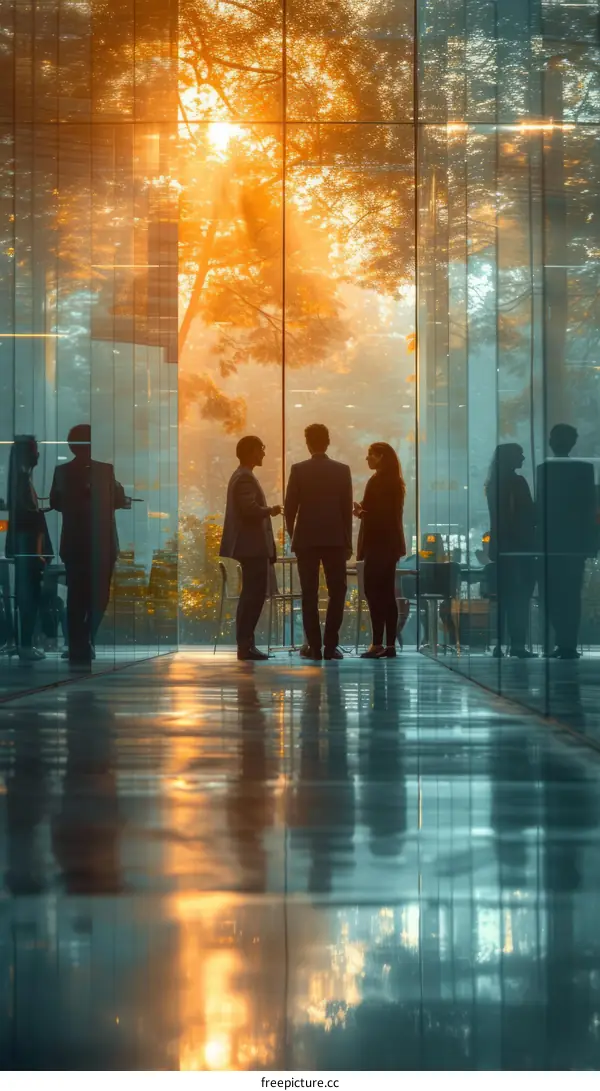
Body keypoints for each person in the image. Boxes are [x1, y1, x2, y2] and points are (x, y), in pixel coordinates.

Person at [50, 424, 130, 666]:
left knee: (79, 595)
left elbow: (55, 502)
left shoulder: (67, 471)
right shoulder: (104, 471)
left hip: (79, 543)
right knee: (95, 595)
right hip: (96, 543)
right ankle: (83, 641)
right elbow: (117, 500)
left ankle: (81, 641)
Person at [284, 423, 353, 661]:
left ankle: (313, 647)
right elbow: (346, 510)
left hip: (307, 541)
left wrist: (295, 537)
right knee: (337, 592)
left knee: (309, 594)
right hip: (334, 540)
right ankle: (330, 646)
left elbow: (290, 509)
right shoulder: (342, 470)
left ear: (308, 444)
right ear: (328, 442)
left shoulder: (298, 470)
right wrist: (347, 543)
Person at [536, 423, 597, 659]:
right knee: (569, 595)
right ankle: (566, 643)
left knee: (556, 595)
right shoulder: (583, 470)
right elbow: (589, 508)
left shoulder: (545, 470)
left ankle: (562, 642)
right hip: (571, 545)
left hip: (554, 544)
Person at [219, 435, 281, 661]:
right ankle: (245, 645)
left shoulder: (243, 476)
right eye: (261, 449)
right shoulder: (245, 478)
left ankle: (246, 644)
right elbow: (249, 509)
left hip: (250, 547)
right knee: (252, 597)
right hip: (252, 547)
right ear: (251, 451)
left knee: (251, 596)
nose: (264, 453)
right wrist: (270, 510)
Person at [354, 442, 406, 658]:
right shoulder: (396, 482)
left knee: (374, 594)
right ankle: (390, 645)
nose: (367, 459)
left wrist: (361, 513)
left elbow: (376, 516)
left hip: (376, 545)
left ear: (381, 456)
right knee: (387, 595)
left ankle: (376, 644)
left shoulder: (377, 481)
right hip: (391, 546)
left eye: (371, 455)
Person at [486, 443, 536, 658]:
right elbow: (529, 515)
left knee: (504, 599)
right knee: (520, 598)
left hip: (501, 547)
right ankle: (517, 644)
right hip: (520, 547)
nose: (523, 458)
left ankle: (499, 644)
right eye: (520, 454)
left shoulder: (492, 484)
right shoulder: (517, 482)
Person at [6, 435, 53, 662]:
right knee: (28, 595)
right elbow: (29, 520)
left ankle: (25, 641)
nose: (37, 455)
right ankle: (25, 643)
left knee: (29, 595)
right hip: (30, 548)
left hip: (29, 548)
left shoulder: (21, 480)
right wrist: (38, 551)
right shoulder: (22, 482)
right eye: (34, 450)